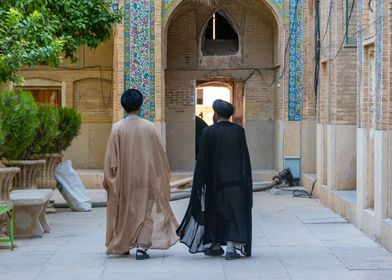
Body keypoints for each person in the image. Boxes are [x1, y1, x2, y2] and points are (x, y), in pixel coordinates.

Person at [103, 89, 179, 260]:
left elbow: (110, 160)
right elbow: (159, 155)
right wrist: (159, 177)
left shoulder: (117, 128)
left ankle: (123, 244)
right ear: (140, 105)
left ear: (124, 107)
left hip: (124, 180)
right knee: (145, 211)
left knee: (126, 212)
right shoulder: (149, 127)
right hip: (146, 178)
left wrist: (108, 179)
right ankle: (142, 248)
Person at [177, 99, 253, 260]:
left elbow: (202, 161)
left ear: (216, 114)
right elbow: (244, 158)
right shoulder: (239, 131)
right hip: (236, 182)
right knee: (235, 212)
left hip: (215, 183)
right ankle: (229, 248)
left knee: (216, 212)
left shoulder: (208, 132)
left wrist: (200, 183)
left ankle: (217, 245)